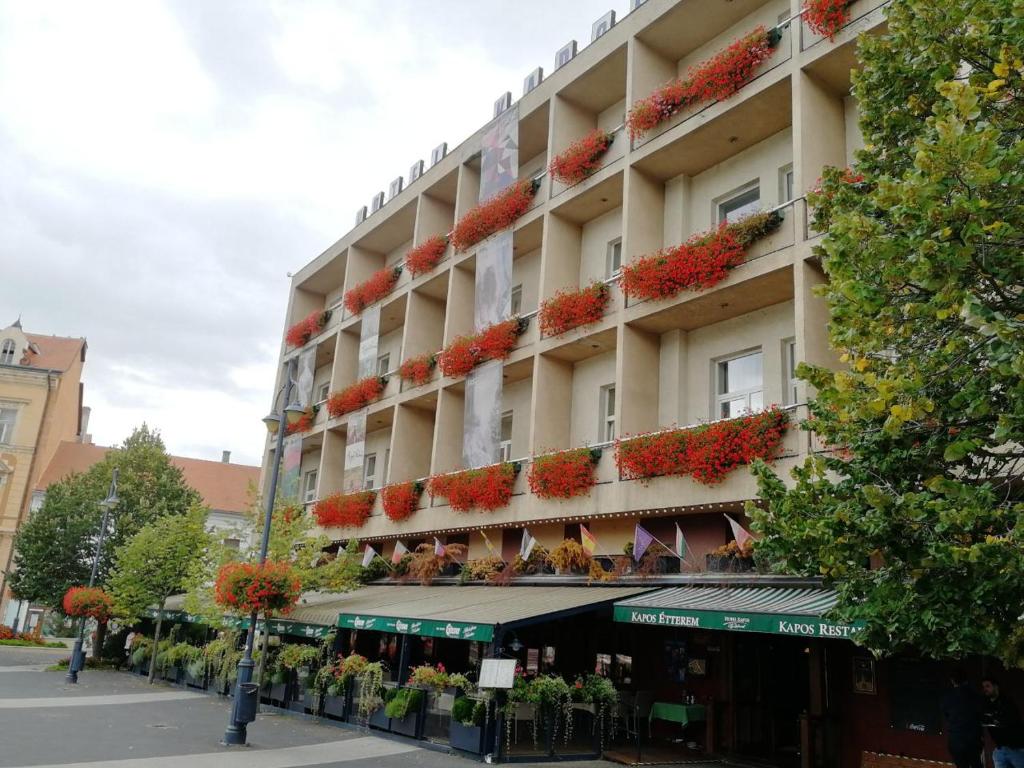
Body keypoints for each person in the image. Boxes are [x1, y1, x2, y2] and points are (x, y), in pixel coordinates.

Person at [941, 668, 984, 768]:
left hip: (955, 739)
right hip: (973, 739)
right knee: (976, 764)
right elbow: (981, 713)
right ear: (966, 680)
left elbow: (946, 714)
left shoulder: (947, 697)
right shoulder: (974, 695)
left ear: (952, 680)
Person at [982, 678, 1024, 768]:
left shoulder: (1007, 702)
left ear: (995, 687)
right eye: (983, 687)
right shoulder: (986, 704)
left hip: (1015, 748)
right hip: (1000, 749)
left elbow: (1009, 721)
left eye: (988, 686)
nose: (985, 689)